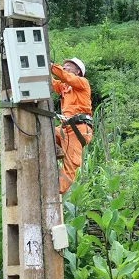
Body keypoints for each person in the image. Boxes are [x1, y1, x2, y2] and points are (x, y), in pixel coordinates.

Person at [50, 57, 92, 194]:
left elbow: (66, 77)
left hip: (78, 129)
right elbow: (50, 83)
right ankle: (58, 150)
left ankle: (55, 192)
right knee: (45, 132)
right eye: (64, 66)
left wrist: (50, 66)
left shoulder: (82, 83)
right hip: (65, 128)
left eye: (68, 66)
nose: (65, 67)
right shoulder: (65, 88)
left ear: (78, 71)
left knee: (70, 165)